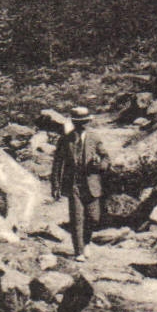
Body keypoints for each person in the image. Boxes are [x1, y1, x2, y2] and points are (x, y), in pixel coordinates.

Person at [44, 107, 102, 260]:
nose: (81, 125)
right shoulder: (65, 140)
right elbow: (57, 164)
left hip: (91, 183)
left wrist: (99, 164)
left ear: (88, 122)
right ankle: (79, 252)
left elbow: (106, 158)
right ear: (74, 123)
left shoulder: (95, 138)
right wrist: (55, 186)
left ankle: (86, 241)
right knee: (77, 219)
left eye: (84, 122)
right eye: (78, 122)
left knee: (94, 218)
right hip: (73, 184)